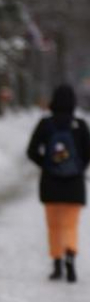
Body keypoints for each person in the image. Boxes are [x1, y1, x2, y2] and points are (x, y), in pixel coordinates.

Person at [26, 84, 90, 283]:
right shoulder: (80, 125)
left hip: (50, 184)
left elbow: (31, 151)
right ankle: (70, 255)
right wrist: (78, 167)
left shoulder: (46, 124)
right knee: (70, 225)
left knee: (54, 226)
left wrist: (46, 164)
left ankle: (57, 264)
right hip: (74, 185)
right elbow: (88, 153)